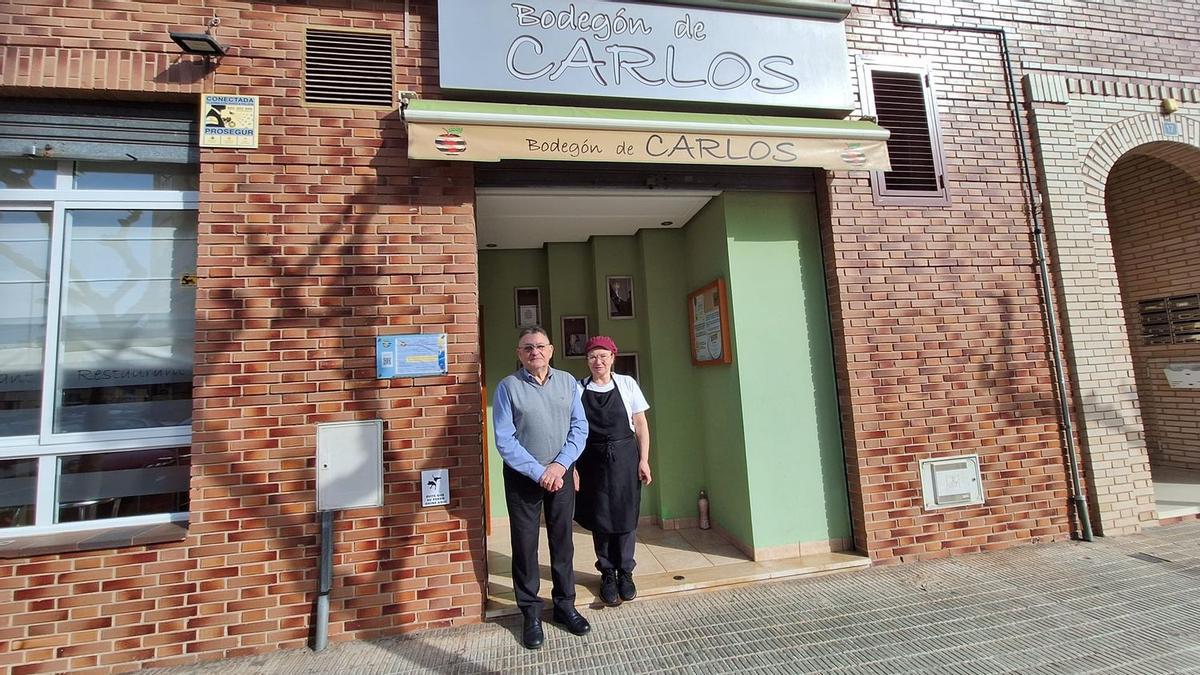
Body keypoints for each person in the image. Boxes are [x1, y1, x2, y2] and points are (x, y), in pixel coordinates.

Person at [492, 326, 591, 649]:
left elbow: (580, 427)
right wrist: (539, 472)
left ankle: (565, 605)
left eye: (540, 346)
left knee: (562, 541)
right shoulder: (508, 387)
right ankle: (531, 613)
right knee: (525, 545)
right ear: (519, 354)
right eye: (527, 348)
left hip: (560, 474)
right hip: (524, 478)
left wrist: (560, 466)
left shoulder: (568, 383)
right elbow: (505, 440)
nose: (535, 352)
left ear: (551, 350)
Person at [573, 336, 652, 606]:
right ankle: (607, 572)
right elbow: (571, 429)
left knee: (625, 513)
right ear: (587, 361)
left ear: (613, 358)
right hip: (591, 459)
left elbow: (640, 424)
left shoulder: (627, 384)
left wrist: (644, 460)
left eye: (603, 356)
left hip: (625, 458)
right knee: (601, 517)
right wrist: (571, 467)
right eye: (593, 356)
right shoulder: (578, 388)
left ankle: (626, 572)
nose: (599, 361)